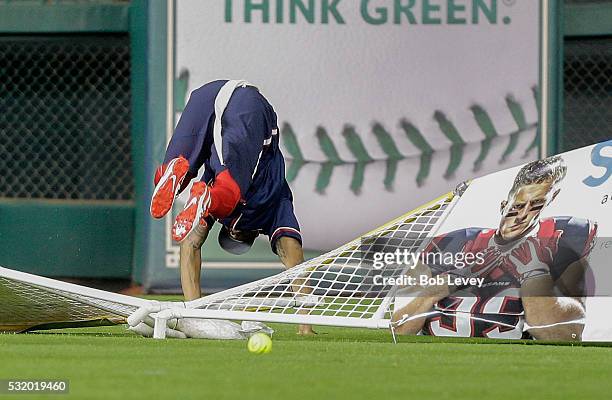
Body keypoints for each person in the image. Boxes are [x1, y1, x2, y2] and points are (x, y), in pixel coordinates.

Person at [150, 79, 314, 335]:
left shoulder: (208, 185)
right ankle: (182, 180)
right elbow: (293, 257)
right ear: (245, 232)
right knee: (231, 182)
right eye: (237, 236)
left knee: (184, 162)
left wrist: (195, 314)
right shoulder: (276, 202)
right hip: (248, 107)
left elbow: (190, 245)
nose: (235, 233)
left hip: (207, 95)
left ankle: (170, 174)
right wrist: (306, 324)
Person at [392, 156, 597, 340]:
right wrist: (433, 291)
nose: (523, 216)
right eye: (517, 206)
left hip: (509, 368)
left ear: (550, 200)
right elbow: (399, 330)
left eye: (536, 205)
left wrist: (534, 274)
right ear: (503, 204)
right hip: (433, 362)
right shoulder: (452, 242)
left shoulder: (561, 239)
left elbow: (565, 336)